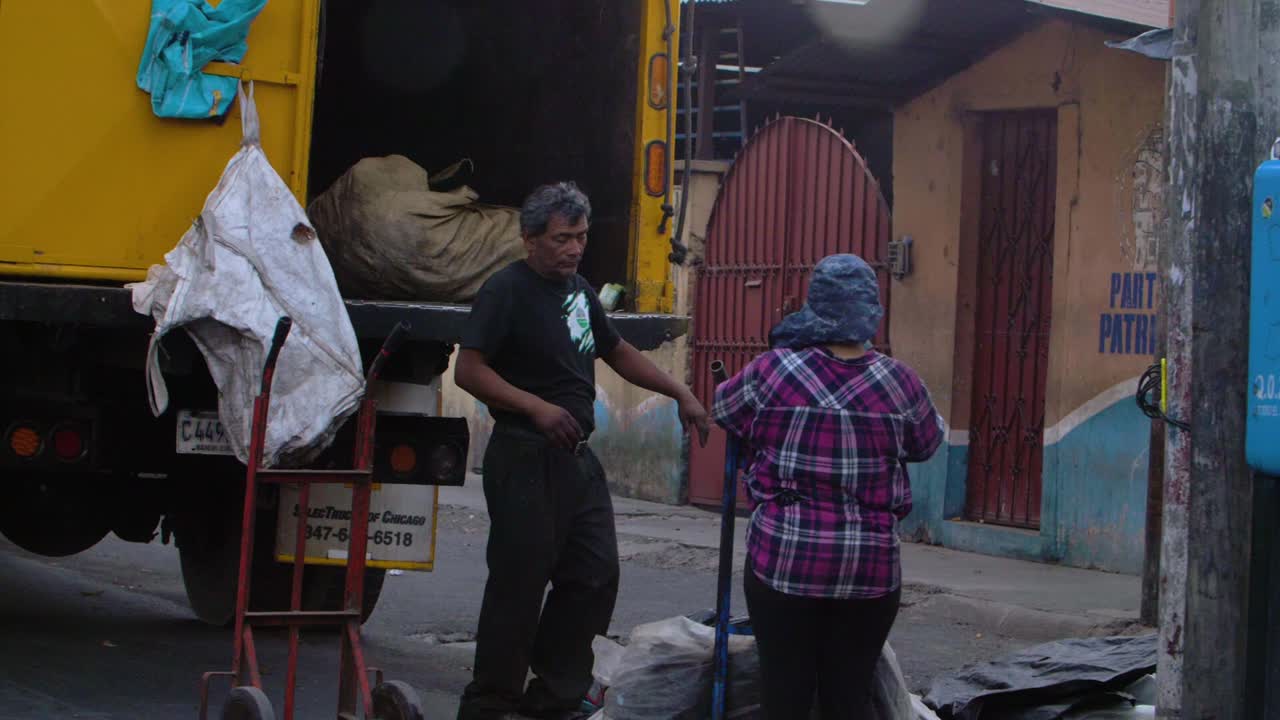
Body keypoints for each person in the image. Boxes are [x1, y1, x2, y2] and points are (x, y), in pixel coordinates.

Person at [454, 182, 710, 720]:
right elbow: (470, 370)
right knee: (518, 586)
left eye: (581, 238)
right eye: (562, 238)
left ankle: (554, 696)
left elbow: (615, 350)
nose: (573, 249)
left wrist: (680, 391)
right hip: (525, 455)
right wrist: (535, 408)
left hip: (576, 459)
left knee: (595, 575)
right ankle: (491, 704)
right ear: (530, 240)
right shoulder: (506, 290)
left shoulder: (580, 292)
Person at [712, 254, 944, 719]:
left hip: (785, 561)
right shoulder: (902, 383)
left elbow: (725, 410)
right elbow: (926, 443)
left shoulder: (772, 370)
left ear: (814, 308)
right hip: (869, 568)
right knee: (847, 696)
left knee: (785, 691)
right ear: (871, 313)